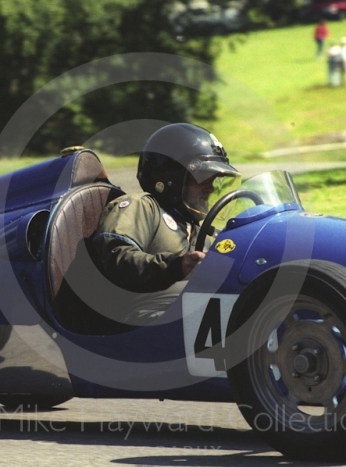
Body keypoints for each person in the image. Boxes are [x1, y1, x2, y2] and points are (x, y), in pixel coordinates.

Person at [90, 123, 239, 327]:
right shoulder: (140, 207)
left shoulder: (195, 228)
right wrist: (177, 266)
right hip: (146, 321)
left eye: (214, 179)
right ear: (171, 178)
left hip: (192, 315)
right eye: (203, 178)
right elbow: (117, 259)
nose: (211, 188)